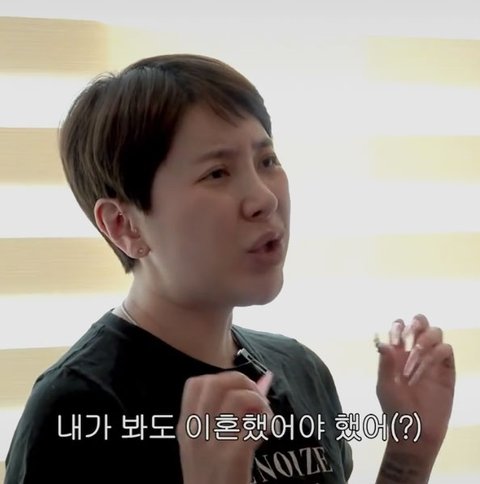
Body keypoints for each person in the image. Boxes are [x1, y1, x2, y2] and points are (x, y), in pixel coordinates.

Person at [4, 54, 455, 484]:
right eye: (217, 173)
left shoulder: (299, 369)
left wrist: (409, 454)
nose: (264, 198)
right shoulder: (78, 410)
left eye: (267, 161)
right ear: (124, 225)